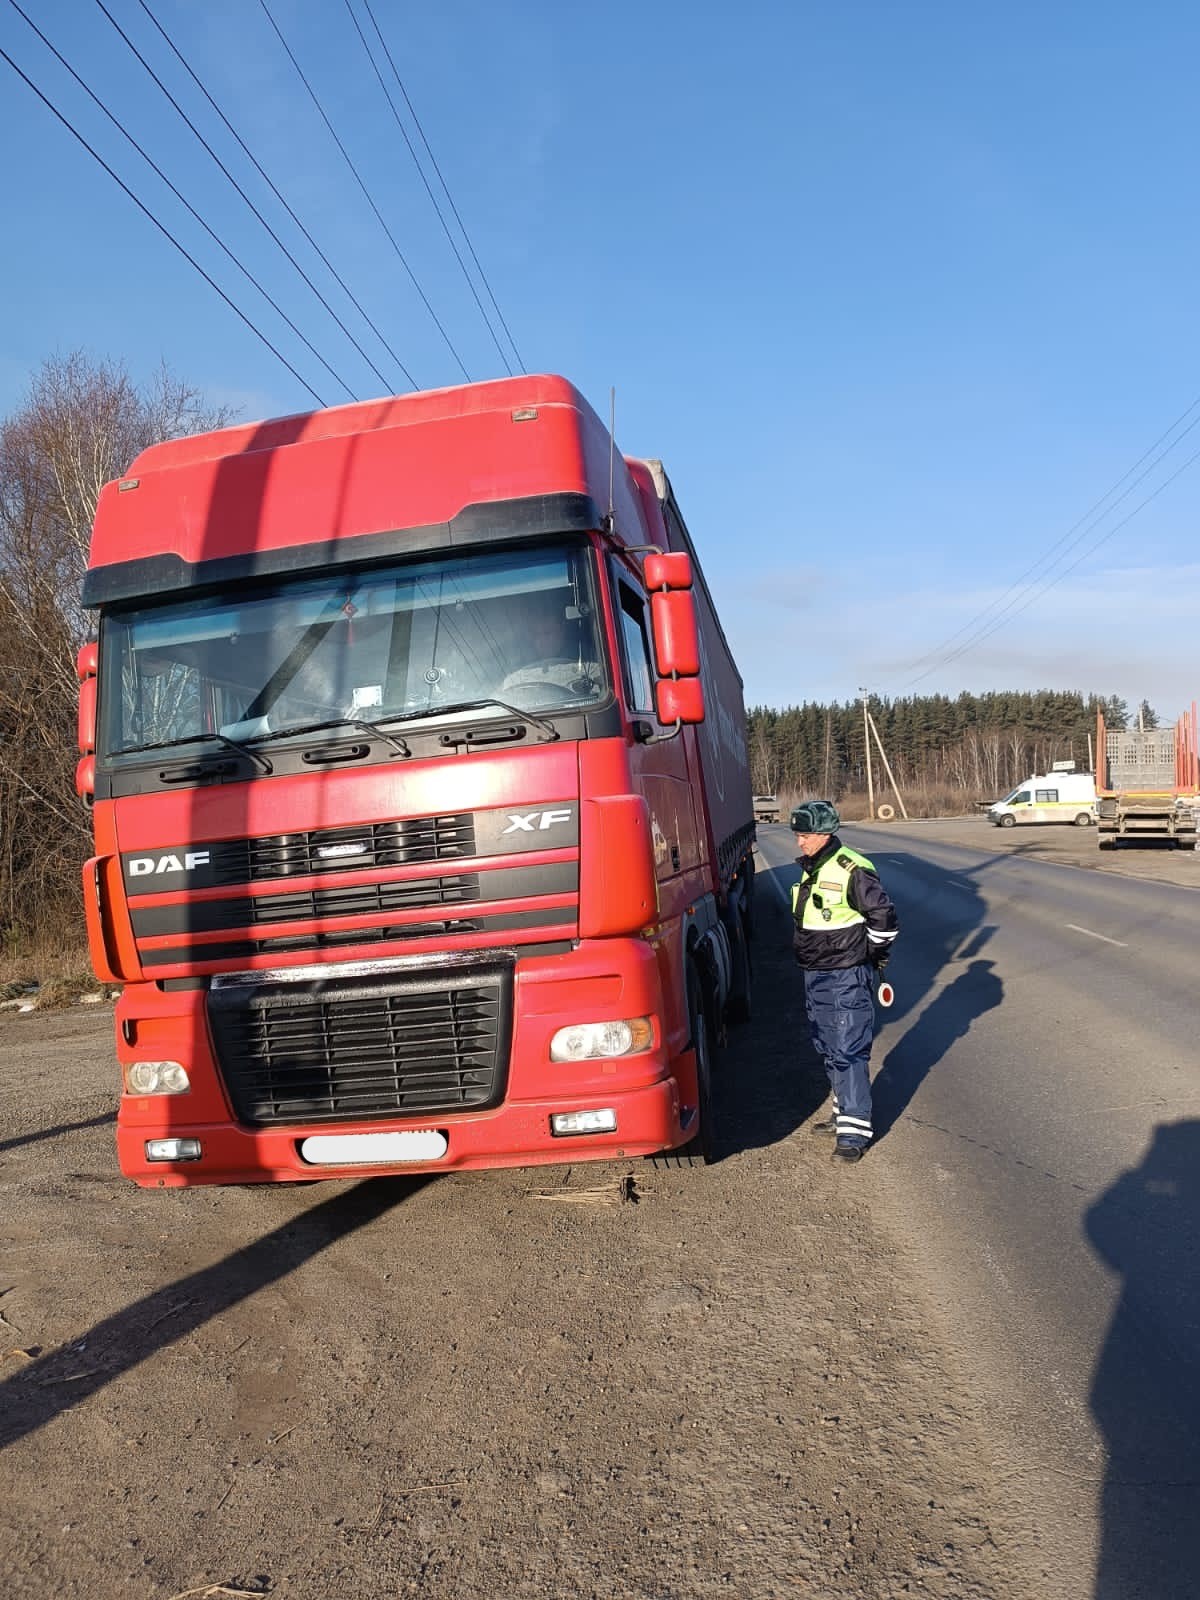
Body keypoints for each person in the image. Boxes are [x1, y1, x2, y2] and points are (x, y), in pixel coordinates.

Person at [789, 800, 898, 1163]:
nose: (799, 843)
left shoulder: (852, 868)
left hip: (845, 974)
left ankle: (854, 1133)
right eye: (798, 835)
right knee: (828, 1044)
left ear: (822, 835)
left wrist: (870, 954)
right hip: (816, 972)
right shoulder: (814, 867)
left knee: (849, 1047)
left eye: (804, 836)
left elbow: (883, 917)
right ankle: (842, 1113)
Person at [500, 594, 601, 699]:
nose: (541, 641)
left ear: (562, 630)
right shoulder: (516, 677)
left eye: (547, 633)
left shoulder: (589, 665)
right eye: (536, 635)